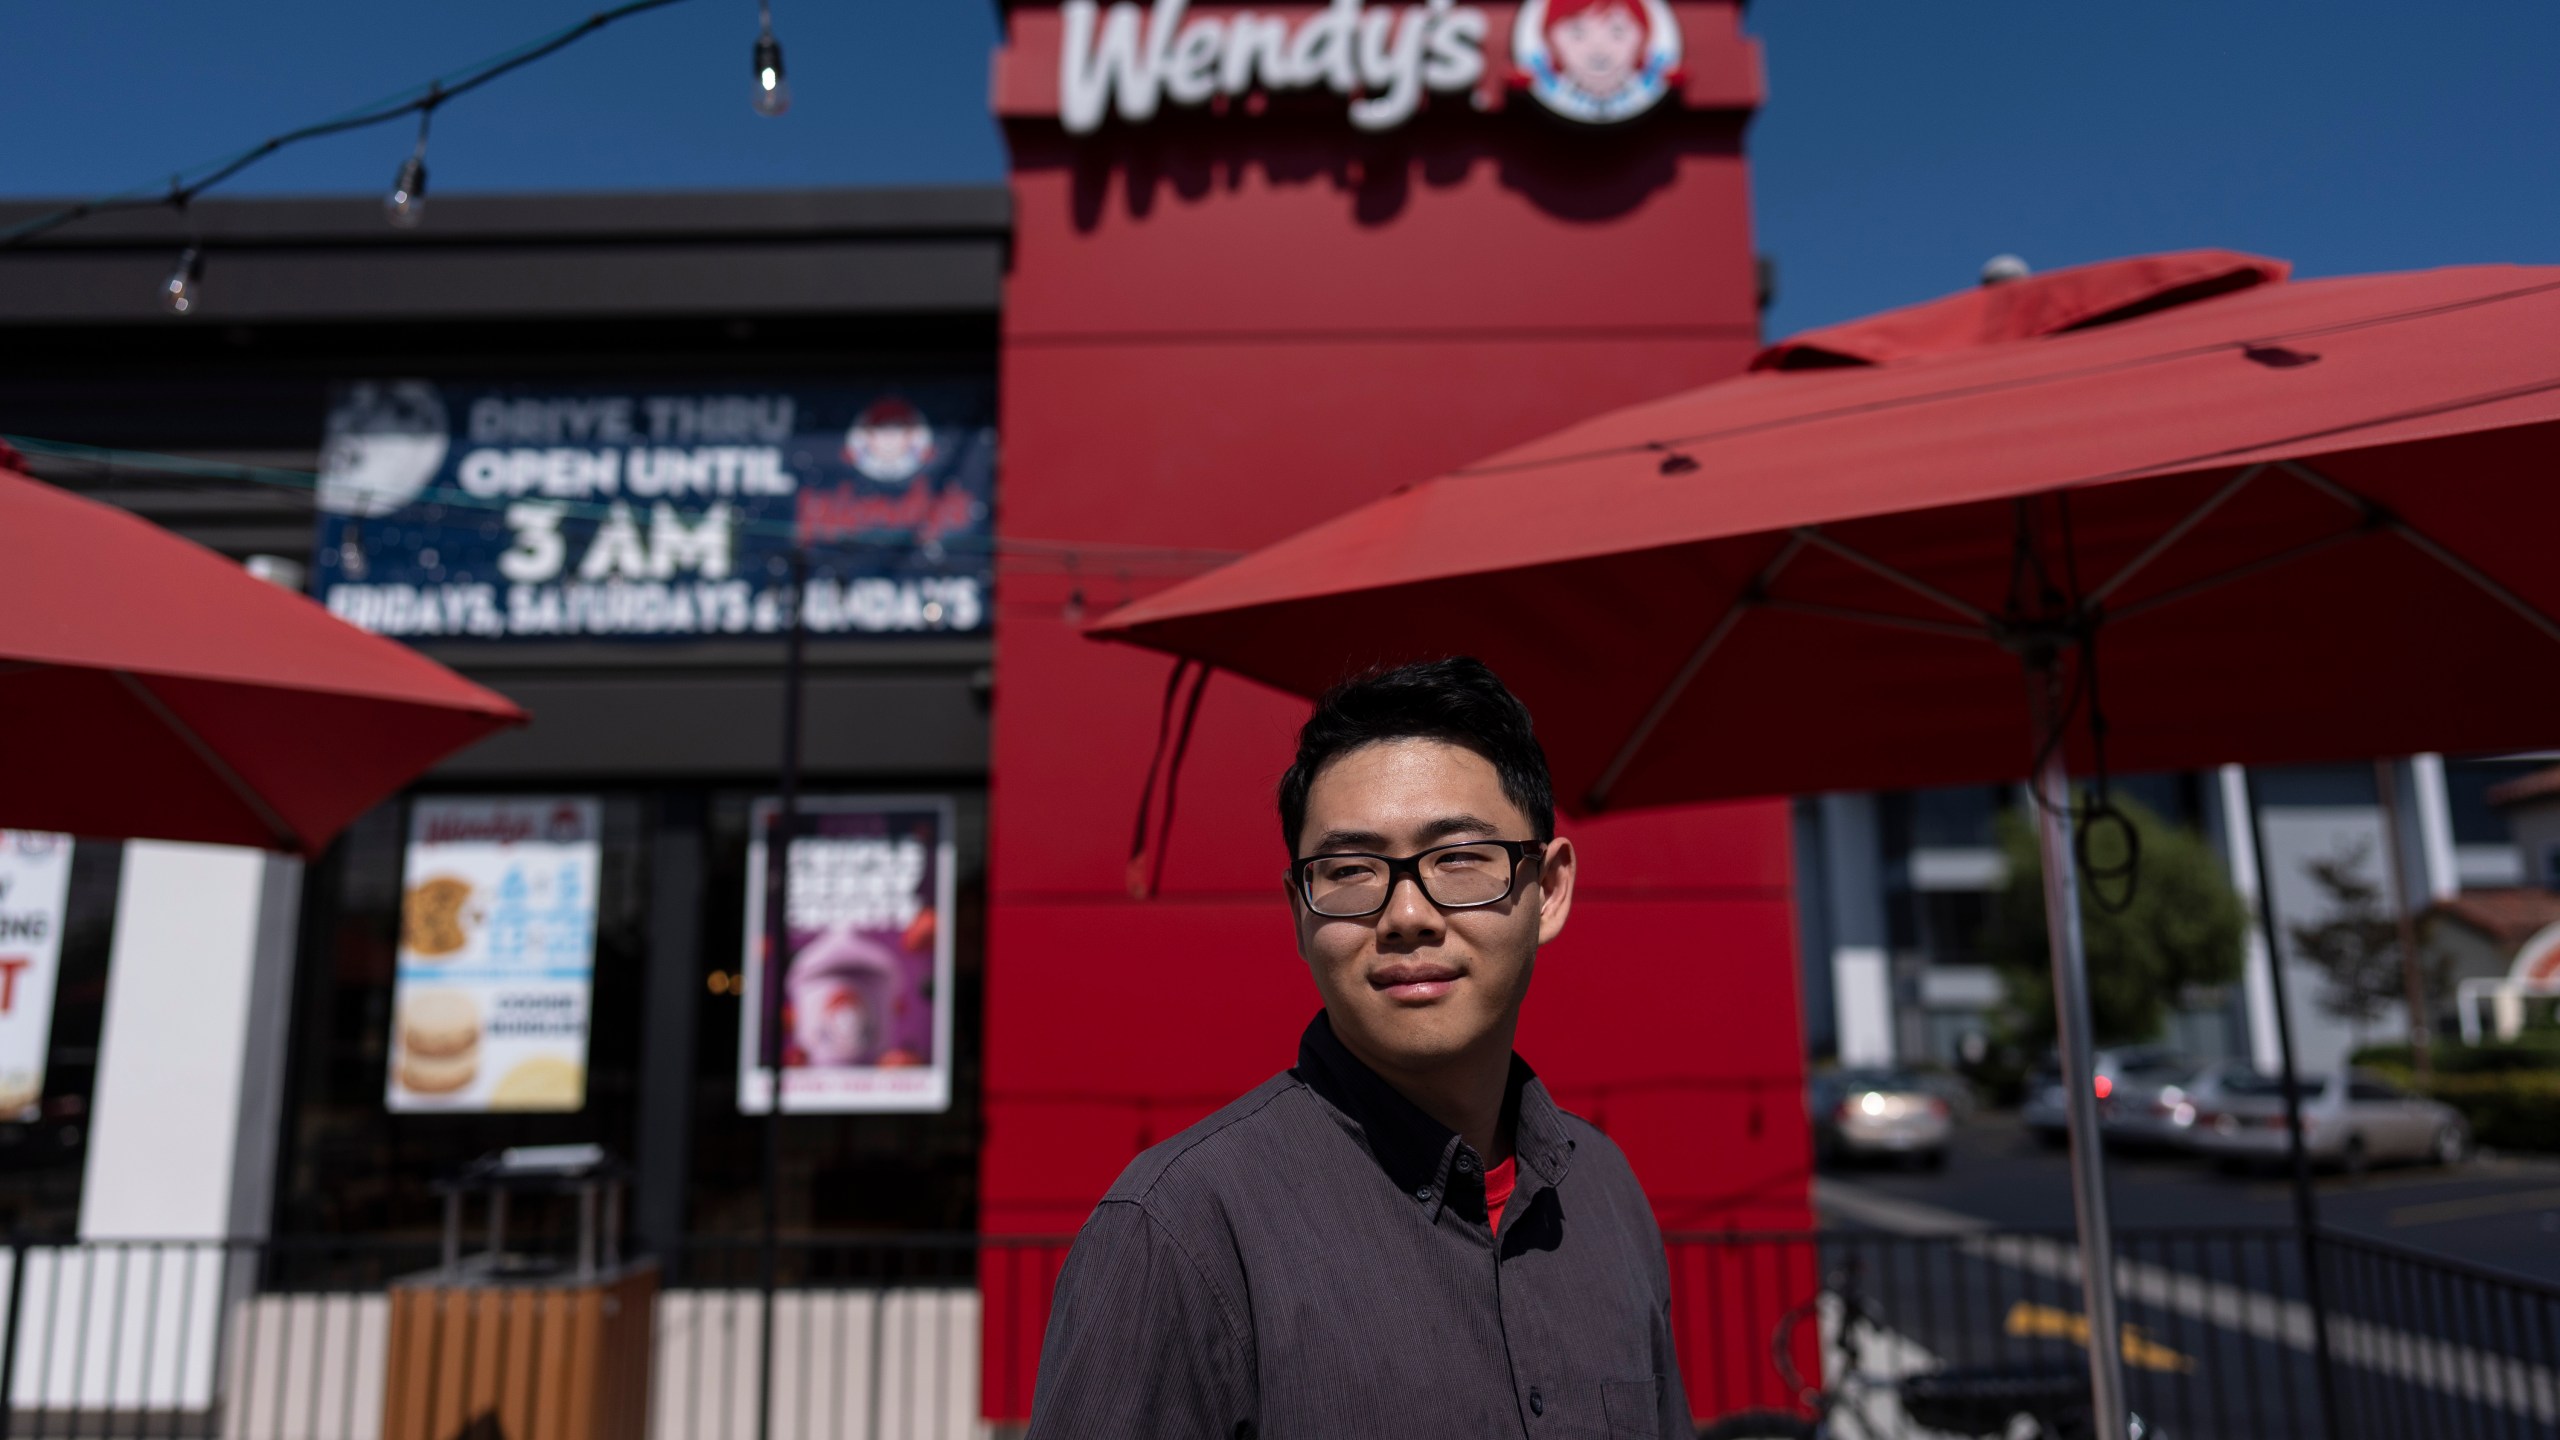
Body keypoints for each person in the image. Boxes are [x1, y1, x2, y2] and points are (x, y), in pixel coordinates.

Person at [1026, 657, 1690, 1439]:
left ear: (1546, 890)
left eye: (1458, 859)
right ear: (1299, 913)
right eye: (1349, 870)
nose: (1407, 913)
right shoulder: (1180, 1231)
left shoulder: (1603, 1195)